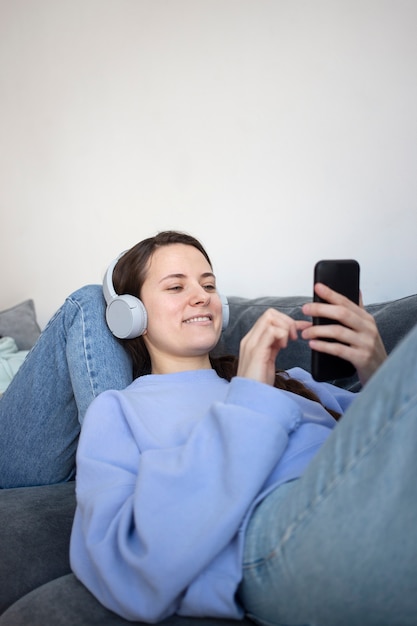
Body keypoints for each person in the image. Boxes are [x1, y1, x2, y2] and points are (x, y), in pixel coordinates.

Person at [1, 231, 416, 626]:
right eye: (176, 287)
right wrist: (250, 397)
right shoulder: (119, 410)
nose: (201, 295)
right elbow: (120, 563)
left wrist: (378, 367)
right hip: (279, 539)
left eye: (209, 285)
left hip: (372, 494)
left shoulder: (291, 379)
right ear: (133, 315)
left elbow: (388, 444)